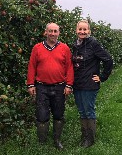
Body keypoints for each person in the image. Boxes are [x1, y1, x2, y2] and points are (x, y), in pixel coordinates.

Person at [27, 22, 74, 150]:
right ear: (46, 32)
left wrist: (69, 85)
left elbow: (69, 67)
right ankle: (42, 141)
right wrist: (31, 84)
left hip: (59, 87)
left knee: (58, 114)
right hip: (42, 87)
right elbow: (32, 66)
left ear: (59, 33)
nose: (52, 34)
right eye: (50, 31)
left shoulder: (64, 48)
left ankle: (57, 139)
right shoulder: (37, 48)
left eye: (55, 31)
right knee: (42, 116)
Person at [72, 20, 113, 148]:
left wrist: (102, 77)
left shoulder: (93, 44)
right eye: (80, 29)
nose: (82, 32)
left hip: (89, 84)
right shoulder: (75, 45)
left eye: (85, 29)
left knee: (88, 111)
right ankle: (84, 136)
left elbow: (108, 59)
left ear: (89, 31)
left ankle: (90, 139)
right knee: (81, 111)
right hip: (77, 84)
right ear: (76, 30)